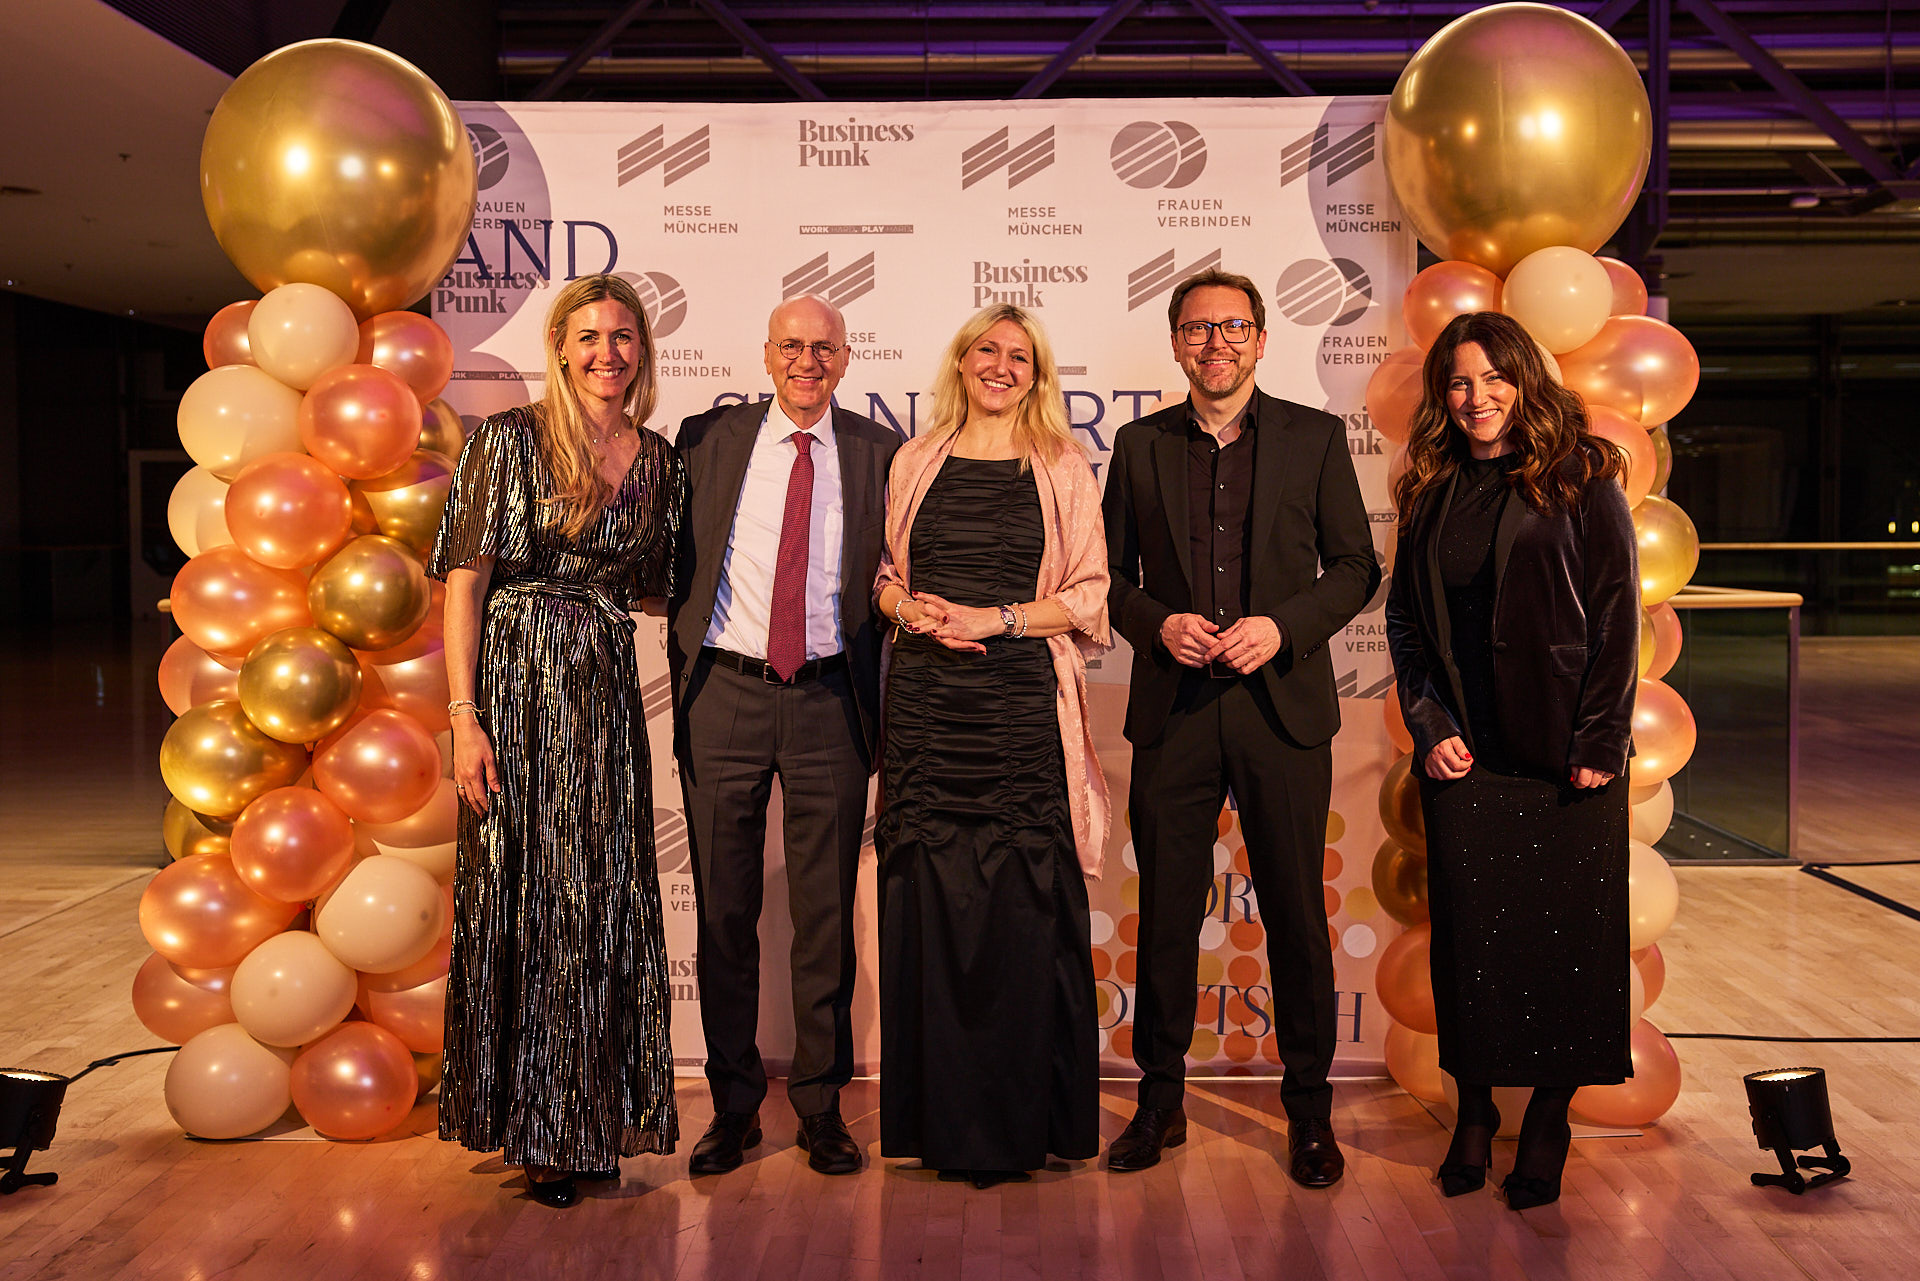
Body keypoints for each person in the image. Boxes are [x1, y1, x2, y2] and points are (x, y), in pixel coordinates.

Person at [1102, 269, 1379, 1184]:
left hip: (1281, 707)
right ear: (1176, 342)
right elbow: (1101, 577)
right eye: (1196, 329)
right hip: (1174, 711)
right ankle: (1160, 1104)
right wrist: (1156, 624)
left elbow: (1354, 565)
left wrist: (1285, 626)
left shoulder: (1314, 437)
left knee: (1299, 916)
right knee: (1168, 917)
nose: (1214, 342)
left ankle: (1310, 1116)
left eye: (1231, 327)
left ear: (1260, 339)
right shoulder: (1137, 446)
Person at [434, 273, 686, 1209]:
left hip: (604, 697)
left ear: (642, 350)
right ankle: (536, 1128)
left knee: (601, 897)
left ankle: (592, 1119)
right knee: (530, 898)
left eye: (623, 335)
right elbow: (464, 581)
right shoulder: (508, 442)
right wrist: (464, 719)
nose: (606, 353)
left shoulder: (660, 460)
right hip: (513, 687)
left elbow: (662, 589)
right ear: (561, 344)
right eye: (588, 336)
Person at [1384, 310, 1638, 1210]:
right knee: (1475, 954)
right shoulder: (1433, 488)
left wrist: (1601, 738)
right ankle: (1477, 1114)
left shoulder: (1582, 475)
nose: (1476, 397)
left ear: (1525, 379)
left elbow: (1616, 618)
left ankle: (1549, 1117)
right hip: (1467, 761)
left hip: (1568, 757)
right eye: (1459, 382)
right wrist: (1428, 721)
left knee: (1571, 950)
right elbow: (1407, 626)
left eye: (1493, 378)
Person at [872, 302, 1111, 1189]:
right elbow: (886, 579)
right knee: (930, 907)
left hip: (1017, 714)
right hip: (930, 711)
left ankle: (1022, 1126)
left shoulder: (1060, 464)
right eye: (987, 350)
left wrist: (996, 618)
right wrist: (912, 610)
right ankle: (934, 1124)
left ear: (1038, 374)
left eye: (1019, 355)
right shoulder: (914, 458)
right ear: (962, 361)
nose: (1001, 366)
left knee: (1021, 911)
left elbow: (1088, 598)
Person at [667, 295, 900, 1177]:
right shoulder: (706, 440)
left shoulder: (882, 454)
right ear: (767, 355)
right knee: (724, 911)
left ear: (847, 358)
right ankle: (732, 1108)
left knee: (823, 915)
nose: (808, 361)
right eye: (792, 346)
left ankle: (820, 1104)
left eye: (825, 348)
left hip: (830, 702)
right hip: (724, 693)